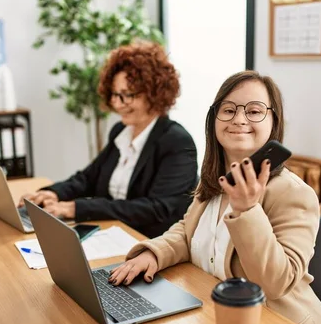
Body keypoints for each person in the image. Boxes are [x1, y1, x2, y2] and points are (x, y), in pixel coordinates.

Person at [108, 70, 321, 324]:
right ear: (214, 120)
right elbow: (188, 232)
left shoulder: (294, 194)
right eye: (229, 110)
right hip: (224, 321)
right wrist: (153, 253)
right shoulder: (215, 179)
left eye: (254, 111)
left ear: (274, 121)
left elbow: (275, 283)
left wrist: (247, 209)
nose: (239, 119)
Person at [19, 42, 198, 238]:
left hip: (150, 242)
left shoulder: (177, 142)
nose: (117, 104)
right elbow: (88, 177)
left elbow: (156, 209)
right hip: (112, 233)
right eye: (115, 95)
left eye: (127, 95)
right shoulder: (121, 131)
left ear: (154, 93)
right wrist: (54, 193)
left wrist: (75, 208)